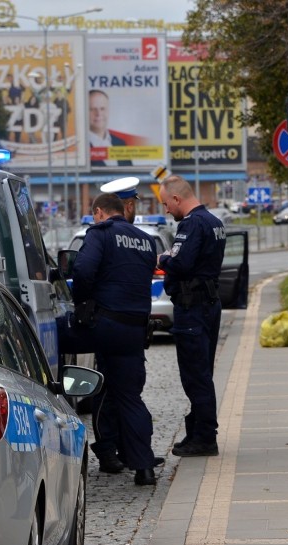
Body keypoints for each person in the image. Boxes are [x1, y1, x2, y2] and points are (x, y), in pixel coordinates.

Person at [57, 192, 160, 485]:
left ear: (100, 212)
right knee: (129, 396)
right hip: (135, 329)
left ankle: (103, 449)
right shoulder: (145, 239)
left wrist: (82, 304)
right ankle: (143, 466)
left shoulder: (100, 234)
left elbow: (83, 270)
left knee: (55, 341)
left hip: (106, 325)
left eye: (95, 215)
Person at [158, 175, 227, 457]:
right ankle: (196, 430)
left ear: (177, 198)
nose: (166, 210)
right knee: (202, 371)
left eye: (166, 203)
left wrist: (163, 259)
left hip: (192, 307)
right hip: (208, 304)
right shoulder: (214, 222)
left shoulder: (192, 224)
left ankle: (205, 437)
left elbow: (181, 262)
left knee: (195, 375)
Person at [88, 89, 132, 167]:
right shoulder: (78, 147)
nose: (98, 114)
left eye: (102, 109)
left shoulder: (120, 143)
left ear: (108, 111)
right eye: (92, 109)